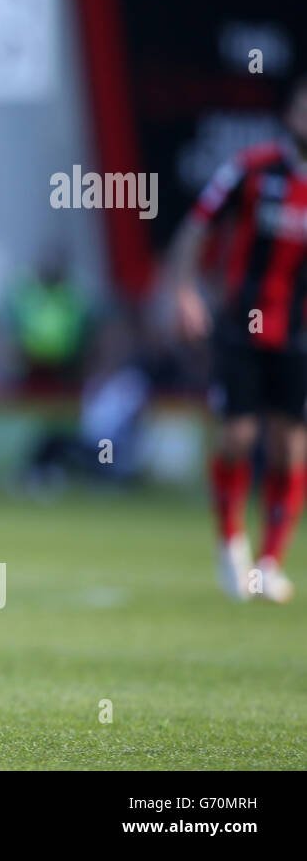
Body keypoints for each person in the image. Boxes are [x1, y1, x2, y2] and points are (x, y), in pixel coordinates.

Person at [166, 74, 307, 604]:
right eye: (302, 108)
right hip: (241, 326)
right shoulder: (250, 170)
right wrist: (185, 291)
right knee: (238, 437)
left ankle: (270, 563)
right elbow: (195, 228)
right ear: (289, 115)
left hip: (299, 334)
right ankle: (231, 545)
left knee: (290, 447)